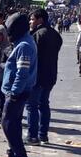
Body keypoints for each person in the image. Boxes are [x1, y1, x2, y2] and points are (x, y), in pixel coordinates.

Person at [0, 13, 37, 157]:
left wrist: (14, 93)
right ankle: (12, 156)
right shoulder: (22, 42)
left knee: (8, 124)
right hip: (15, 90)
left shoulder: (24, 45)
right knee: (14, 124)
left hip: (17, 92)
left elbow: (22, 73)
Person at [26, 9, 62, 145]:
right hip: (50, 75)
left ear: (40, 20)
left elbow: (31, 55)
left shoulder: (36, 35)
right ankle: (43, 135)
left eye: (32, 19)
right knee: (44, 105)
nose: (30, 22)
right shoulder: (56, 34)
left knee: (32, 106)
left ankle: (32, 136)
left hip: (37, 76)